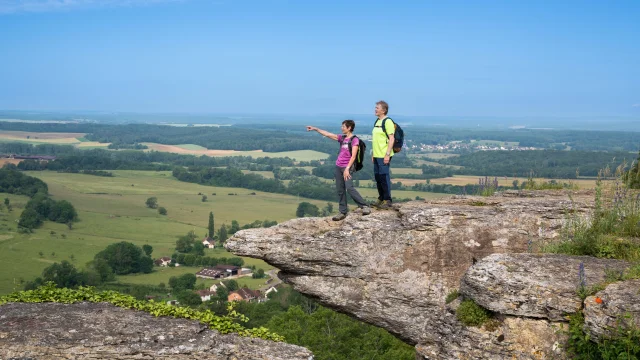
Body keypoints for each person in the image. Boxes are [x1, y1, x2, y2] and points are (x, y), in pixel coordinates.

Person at [306, 120, 371, 221]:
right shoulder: (343, 138)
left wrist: (347, 169)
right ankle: (342, 212)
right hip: (338, 166)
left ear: (349, 128)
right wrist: (316, 129)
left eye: (343, 126)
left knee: (349, 188)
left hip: (347, 167)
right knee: (340, 190)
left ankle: (364, 206)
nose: (342, 128)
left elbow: (353, 156)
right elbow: (328, 134)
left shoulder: (354, 140)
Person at [371, 100, 395, 209]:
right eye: (375, 107)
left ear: (384, 110)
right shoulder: (377, 121)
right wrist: (373, 154)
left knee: (384, 177)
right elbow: (376, 139)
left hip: (384, 154)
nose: (375, 109)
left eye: (377, 108)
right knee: (378, 177)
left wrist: (387, 154)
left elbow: (391, 139)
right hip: (377, 154)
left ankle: (387, 200)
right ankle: (381, 198)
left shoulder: (388, 121)